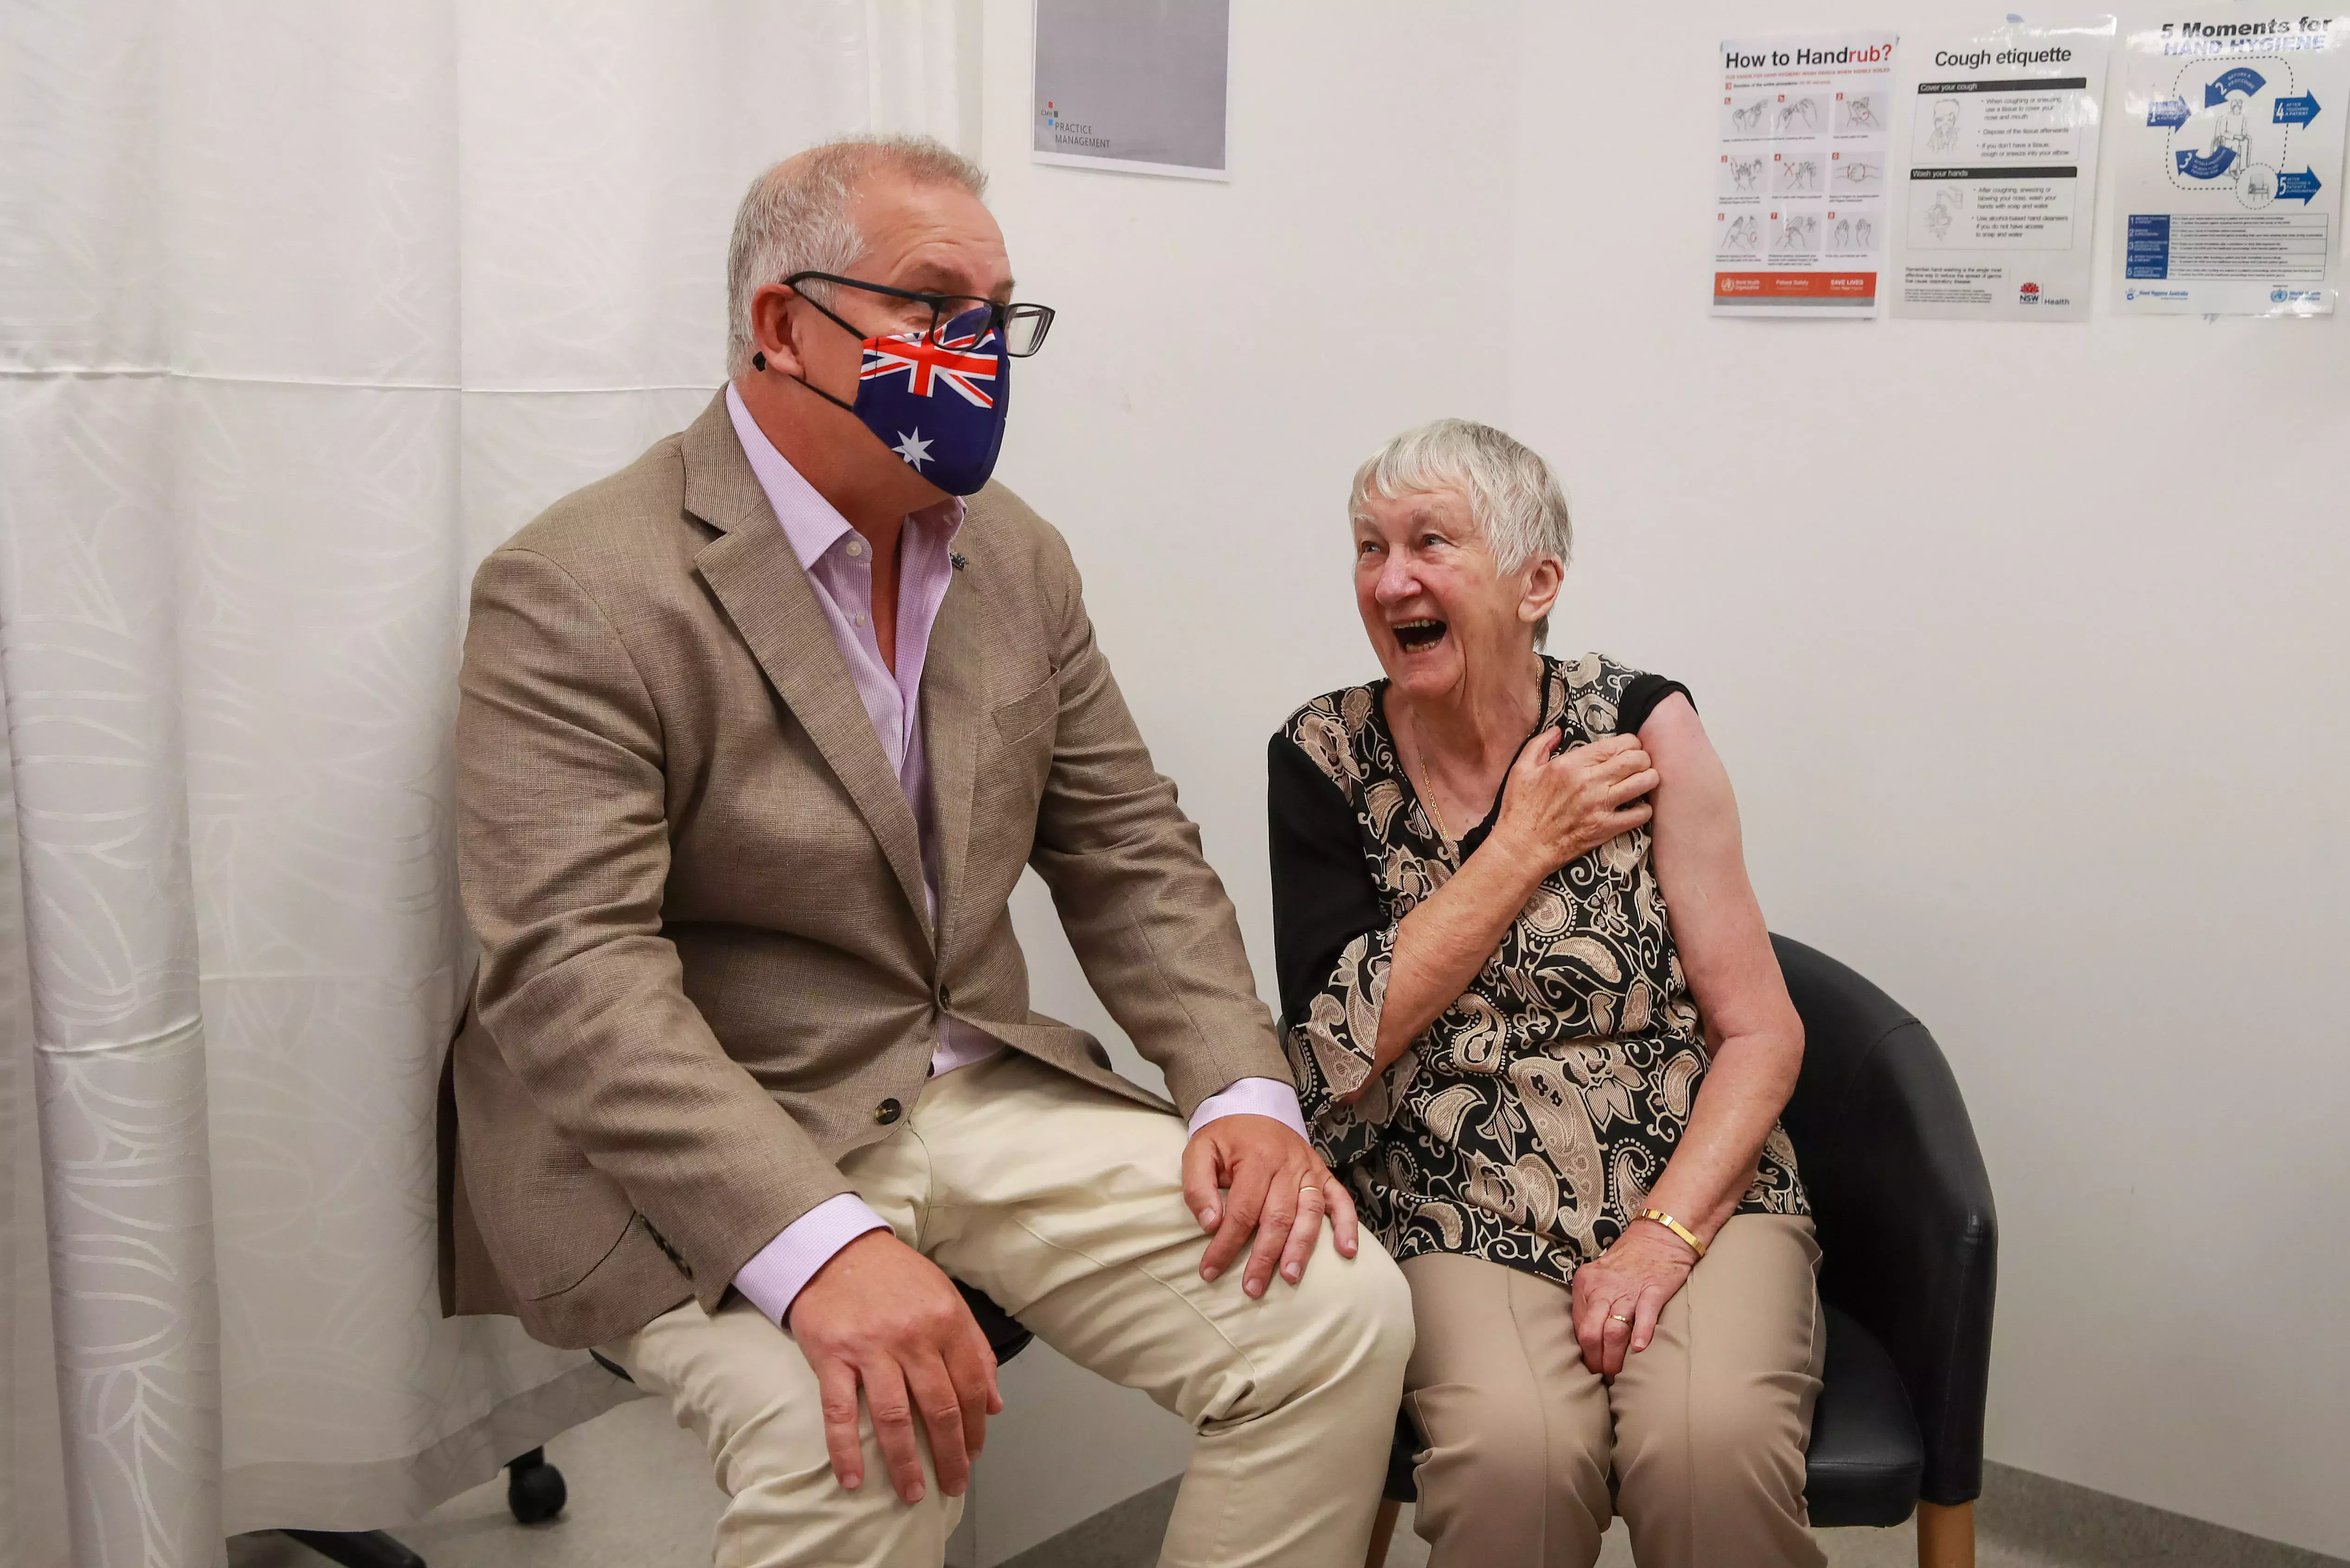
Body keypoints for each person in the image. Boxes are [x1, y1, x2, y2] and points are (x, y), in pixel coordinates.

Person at [438, 135, 1412, 1568]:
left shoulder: (1014, 557)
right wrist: (818, 1243)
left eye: (1000, 314)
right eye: (932, 306)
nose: (980, 351)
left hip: (962, 1077)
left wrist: (1242, 1087)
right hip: (720, 1112)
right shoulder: (582, 585)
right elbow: (573, 978)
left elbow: (1128, 845)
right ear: (783, 325)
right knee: (864, 1445)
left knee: (1336, 1310)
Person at [1268, 419, 1822, 1568]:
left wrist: (1663, 1238)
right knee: (1516, 1461)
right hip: (1451, 1188)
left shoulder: (1642, 723)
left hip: (1694, 1180)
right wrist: (1522, 844)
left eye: (1430, 542)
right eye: (1370, 548)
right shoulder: (1324, 754)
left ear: (1538, 582)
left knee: (1707, 1447)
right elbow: (1336, 1045)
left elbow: (1763, 1029)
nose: (1391, 579)